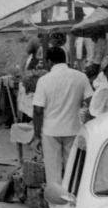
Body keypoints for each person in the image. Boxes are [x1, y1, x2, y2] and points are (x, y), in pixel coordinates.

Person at [31, 46, 92, 187]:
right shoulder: (80, 77)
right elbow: (92, 102)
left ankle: (57, 205)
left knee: (53, 173)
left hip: (50, 131)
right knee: (74, 169)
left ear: (49, 61)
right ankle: (74, 200)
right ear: (65, 59)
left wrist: (36, 135)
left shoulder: (44, 80)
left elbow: (38, 110)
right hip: (73, 128)